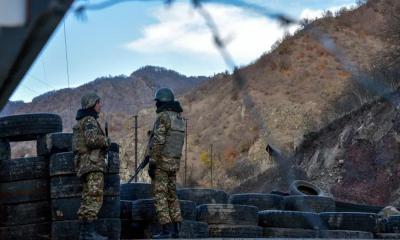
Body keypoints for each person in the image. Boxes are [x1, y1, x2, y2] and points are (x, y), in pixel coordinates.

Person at [148, 88, 185, 239]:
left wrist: (152, 161)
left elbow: (158, 141)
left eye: (157, 102)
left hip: (162, 163)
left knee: (160, 196)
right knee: (172, 196)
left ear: (162, 102)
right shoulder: (179, 119)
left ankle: (165, 231)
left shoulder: (163, 117)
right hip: (173, 163)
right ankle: (176, 230)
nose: (156, 105)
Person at [72, 92, 110, 240]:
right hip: (92, 164)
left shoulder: (83, 120)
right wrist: (106, 141)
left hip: (85, 165)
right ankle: (89, 233)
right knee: (94, 197)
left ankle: (84, 233)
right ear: (91, 104)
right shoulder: (89, 120)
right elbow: (92, 140)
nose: (100, 105)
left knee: (87, 198)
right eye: (98, 102)